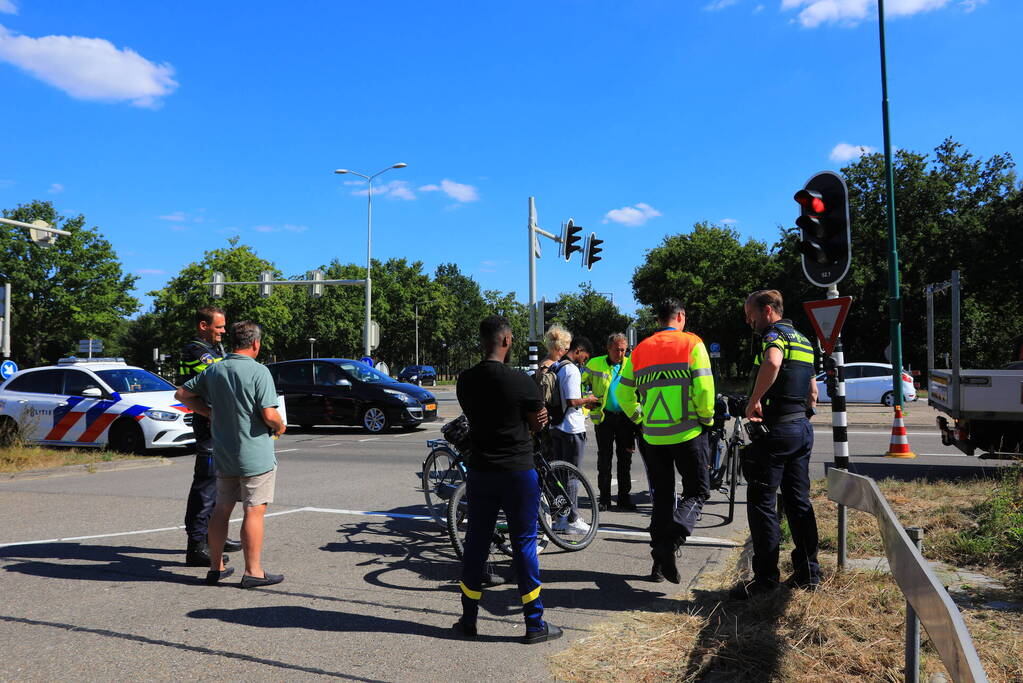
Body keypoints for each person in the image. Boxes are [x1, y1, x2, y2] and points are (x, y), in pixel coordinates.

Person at [453, 315, 560, 644]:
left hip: (481, 473)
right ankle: (534, 624)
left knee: (475, 544)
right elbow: (536, 423)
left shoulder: (465, 381)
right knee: (525, 545)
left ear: (483, 341)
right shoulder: (521, 382)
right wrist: (534, 420)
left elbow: (476, 418)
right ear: (506, 341)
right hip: (517, 472)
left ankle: (468, 620)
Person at [175, 321, 287, 588]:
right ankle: (253, 572)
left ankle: (215, 568)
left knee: (221, 509)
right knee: (254, 510)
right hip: (254, 454)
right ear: (256, 343)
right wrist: (280, 425)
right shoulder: (259, 372)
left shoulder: (215, 369)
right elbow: (269, 414)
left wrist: (208, 412)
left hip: (223, 451)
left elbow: (182, 393)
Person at [730, 290, 821, 599]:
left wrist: (754, 401)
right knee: (798, 502)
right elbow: (813, 392)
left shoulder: (775, 335)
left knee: (762, 503)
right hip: (801, 428)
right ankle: (809, 573)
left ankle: (766, 579)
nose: (748, 320)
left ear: (767, 310)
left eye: (750, 313)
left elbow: (772, 362)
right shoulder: (804, 340)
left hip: (777, 429)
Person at [617, 298, 714, 585]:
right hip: (688, 433)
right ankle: (671, 540)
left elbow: (623, 395)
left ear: (659, 319)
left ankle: (658, 566)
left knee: (662, 496)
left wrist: (641, 417)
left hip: (653, 436)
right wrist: (706, 420)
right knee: (697, 492)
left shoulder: (641, 350)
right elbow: (705, 389)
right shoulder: (692, 344)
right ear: (681, 316)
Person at [178, 306, 241, 567]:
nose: (224, 332)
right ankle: (196, 546)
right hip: (208, 429)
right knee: (206, 487)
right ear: (204, 326)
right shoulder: (196, 350)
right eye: (219, 327)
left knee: (220, 486)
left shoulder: (212, 350)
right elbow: (221, 377)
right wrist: (209, 413)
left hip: (219, 428)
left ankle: (216, 535)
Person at [550, 335, 600, 534]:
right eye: (584, 357)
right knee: (572, 476)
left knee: (559, 475)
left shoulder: (557, 366)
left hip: (556, 426)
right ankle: (572, 518)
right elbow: (571, 401)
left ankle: (559, 517)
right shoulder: (571, 370)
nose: (584, 361)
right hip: (571, 428)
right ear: (577, 351)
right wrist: (588, 399)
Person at [583, 333, 638, 511]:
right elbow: (581, 384)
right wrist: (587, 400)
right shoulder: (595, 363)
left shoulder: (632, 364)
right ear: (608, 349)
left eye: (624, 350)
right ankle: (604, 498)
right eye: (617, 350)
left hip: (626, 419)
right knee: (604, 459)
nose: (621, 353)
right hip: (604, 417)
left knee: (625, 459)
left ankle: (624, 497)